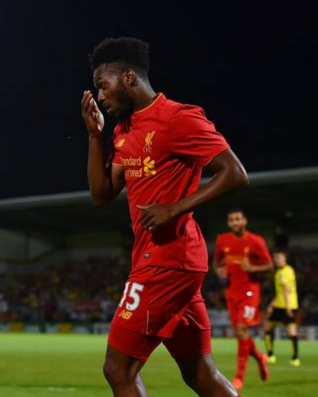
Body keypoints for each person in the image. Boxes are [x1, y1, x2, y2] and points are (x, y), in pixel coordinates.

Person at [82, 37, 248, 397]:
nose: (100, 96)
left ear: (128, 77)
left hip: (166, 261)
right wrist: (95, 137)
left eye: (103, 85)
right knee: (200, 373)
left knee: (118, 369)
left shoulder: (178, 118)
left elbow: (234, 173)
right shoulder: (124, 132)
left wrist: (175, 207)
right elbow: (102, 195)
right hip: (168, 261)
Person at [213, 209, 272, 390]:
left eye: (237, 219)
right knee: (241, 334)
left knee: (241, 329)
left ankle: (239, 377)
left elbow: (269, 266)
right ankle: (260, 357)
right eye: (231, 220)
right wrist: (219, 270)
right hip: (231, 293)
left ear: (244, 221)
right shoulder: (222, 240)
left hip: (250, 292)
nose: (234, 222)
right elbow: (217, 262)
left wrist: (252, 268)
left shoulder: (256, 241)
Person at [264, 250, 300, 366]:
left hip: (284, 306)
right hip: (286, 304)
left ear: (284, 259)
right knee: (289, 330)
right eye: (275, 258)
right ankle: (295, 358)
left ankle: (271, 355)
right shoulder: (288, 270)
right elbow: (282, 292)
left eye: (278, 258)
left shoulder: (282, 273)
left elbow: (285, 290)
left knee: (269, 327)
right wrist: (271, 304)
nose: (276, 260)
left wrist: (288, 307)